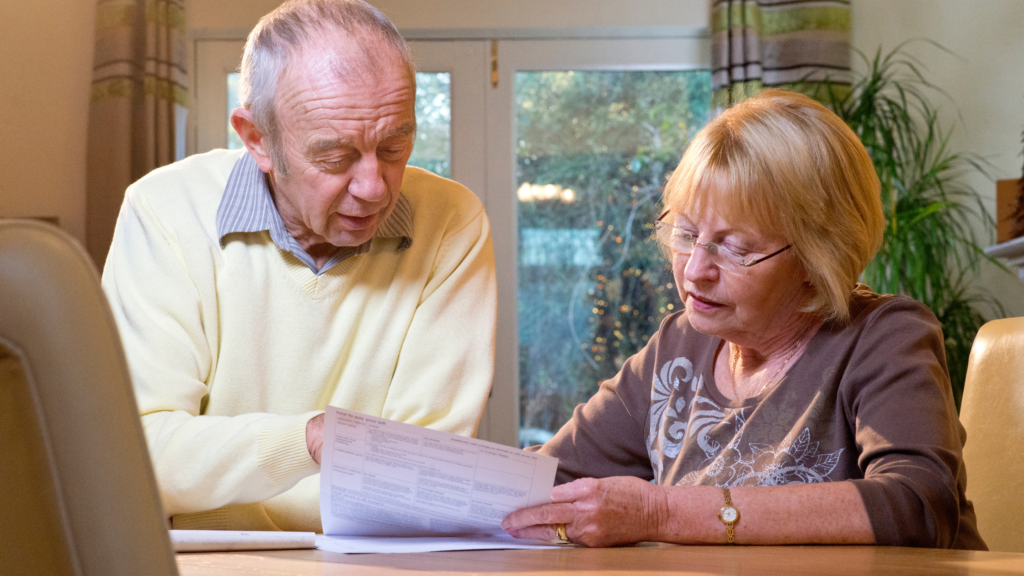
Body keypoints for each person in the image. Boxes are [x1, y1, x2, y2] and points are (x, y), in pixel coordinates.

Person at [502, 90, 986, 549]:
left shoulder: (882, 336)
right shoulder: (677, 349)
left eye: (736, 249)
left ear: (819, 258)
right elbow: (537, 484)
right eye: (686, 233)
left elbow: (919, 504)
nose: (695, 271)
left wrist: (661, 513)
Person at [102, 0, 496, 532]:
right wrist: (311, 440)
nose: (373, 187)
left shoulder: (453, 222)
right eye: (335, 158)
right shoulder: (163, 211)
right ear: (257, 140)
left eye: (394, 145)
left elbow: (423, 474)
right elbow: (134, 456)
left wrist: (219, 481)